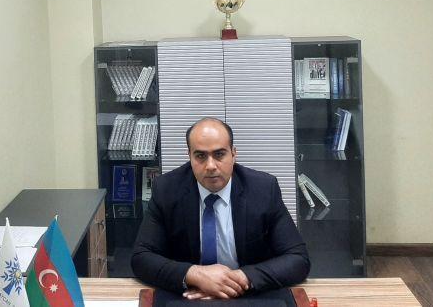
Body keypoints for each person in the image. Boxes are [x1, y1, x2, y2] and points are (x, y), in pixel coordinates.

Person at [131, 117, 309, 299]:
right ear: (189, 156)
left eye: (219, 154)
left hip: (248, 295)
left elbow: (297, 258)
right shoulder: (166, 190)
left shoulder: (263, 189)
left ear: (233, 154)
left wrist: (239, 279)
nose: (210, 166)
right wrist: (195, 275)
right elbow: (141, 257)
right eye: (200, 156)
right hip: (189, 296)